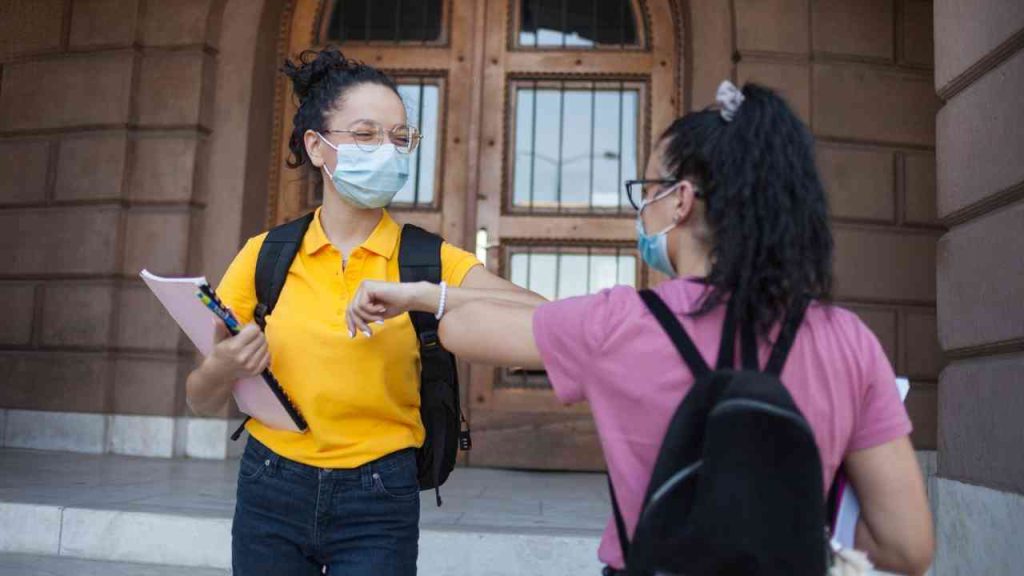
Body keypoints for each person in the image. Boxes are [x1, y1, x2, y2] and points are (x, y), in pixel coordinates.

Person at [346, 82, 935, 575]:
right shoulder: (847, 338)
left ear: (681, 202)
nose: (642, 207)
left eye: (648, 190)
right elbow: (908, 547)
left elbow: (463, 330)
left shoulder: (618, 323)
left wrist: (426, 294)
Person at [185, 47, 543, 576]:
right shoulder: (265, 255)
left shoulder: (428, 259)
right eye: (367, 133)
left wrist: (424, 295)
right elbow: (201, 400)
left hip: (381, 495)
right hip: (269, 485)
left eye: (400, 138)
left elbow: (543, 315)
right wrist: (223, 367)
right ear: (317, 147)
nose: (387, 150)